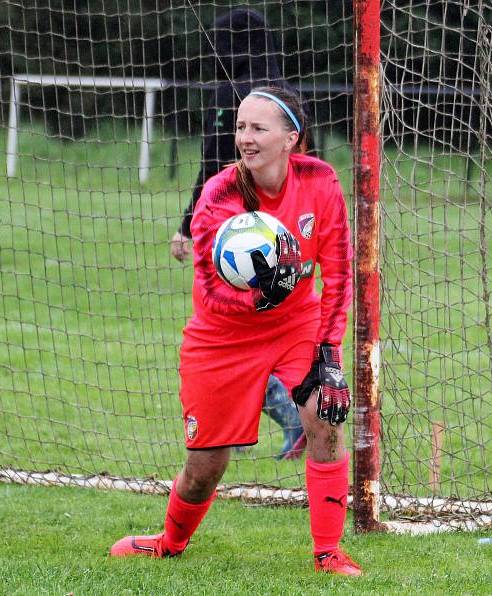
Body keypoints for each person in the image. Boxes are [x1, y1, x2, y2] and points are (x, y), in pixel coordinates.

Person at [111, 86, 361, 576]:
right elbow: (209, 283)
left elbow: (339, 272)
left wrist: (328, 354)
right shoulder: (218, 195)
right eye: (241, 127)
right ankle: (169, 541)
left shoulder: (321, 182)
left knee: (324, 416)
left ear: (292, 138)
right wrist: (258, 293)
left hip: (295, 323)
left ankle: (328, 552)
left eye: (258, 128)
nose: (245, 138)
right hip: (221, 335)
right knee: (206, 468)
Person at [172, 8, 307, 460]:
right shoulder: (281, 92)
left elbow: (213, 160)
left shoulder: (244, 96)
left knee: (232, 330)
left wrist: (187, 224)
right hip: (283, 231)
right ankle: (251, 422)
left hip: (242, 231)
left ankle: (282, 417)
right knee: (260, 326)